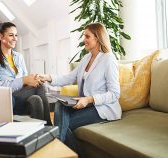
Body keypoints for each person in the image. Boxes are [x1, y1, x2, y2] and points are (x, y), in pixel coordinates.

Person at [40, 22, 121, 151]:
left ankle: (55, 150)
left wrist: (89, 99)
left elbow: (115, 93)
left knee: (64, 125)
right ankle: (60, 151)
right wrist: (48, 77)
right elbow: (69, 77)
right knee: (60, 104)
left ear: (98, 37)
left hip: (102, 108)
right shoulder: (86, 58)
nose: (84, 40)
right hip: (86, 104)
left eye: (87, 36)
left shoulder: (108, 59)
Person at [0, 22, 52, 125]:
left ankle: (38, 132)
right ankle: (49, 126)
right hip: (8, 95)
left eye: (16, 35)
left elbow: (25, 77)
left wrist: (33, 79)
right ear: (1, 36)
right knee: (40, 87)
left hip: (22, 93)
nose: (15, 38)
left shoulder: (19, 56)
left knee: (36, 99)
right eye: (11, 35)